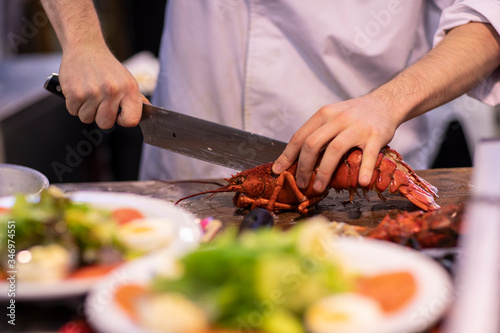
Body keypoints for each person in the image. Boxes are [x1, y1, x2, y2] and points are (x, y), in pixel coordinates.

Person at [41, 0, 500, 191]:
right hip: (189, 166)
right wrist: (82, 41)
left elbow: (485, 19)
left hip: (355, 177)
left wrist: (388, 103)